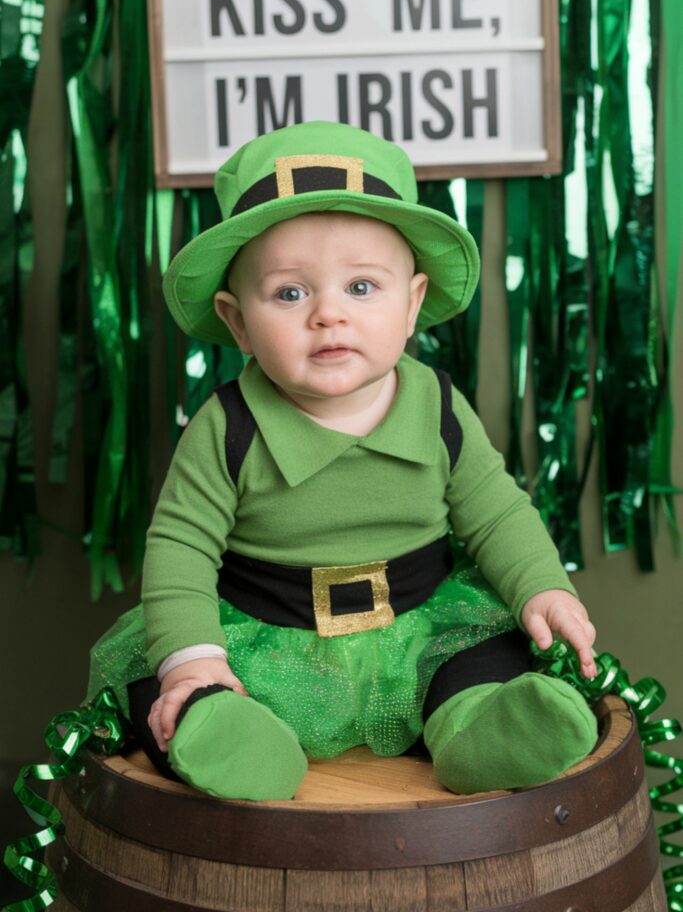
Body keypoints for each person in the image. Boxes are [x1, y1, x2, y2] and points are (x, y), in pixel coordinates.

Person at [88, 120, 598, 801]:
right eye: (290, 293)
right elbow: (179, 546)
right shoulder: (226, 427)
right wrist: (195, 659)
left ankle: (476, 730)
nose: (328, 315)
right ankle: (234, 736)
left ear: (412, 303)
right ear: (236, 321)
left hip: (421, 627)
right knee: (160, 691)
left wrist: (543, 588)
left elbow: (496, 510)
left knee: (489, 655)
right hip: (265, 638)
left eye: (361, 288)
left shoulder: (439, 407)